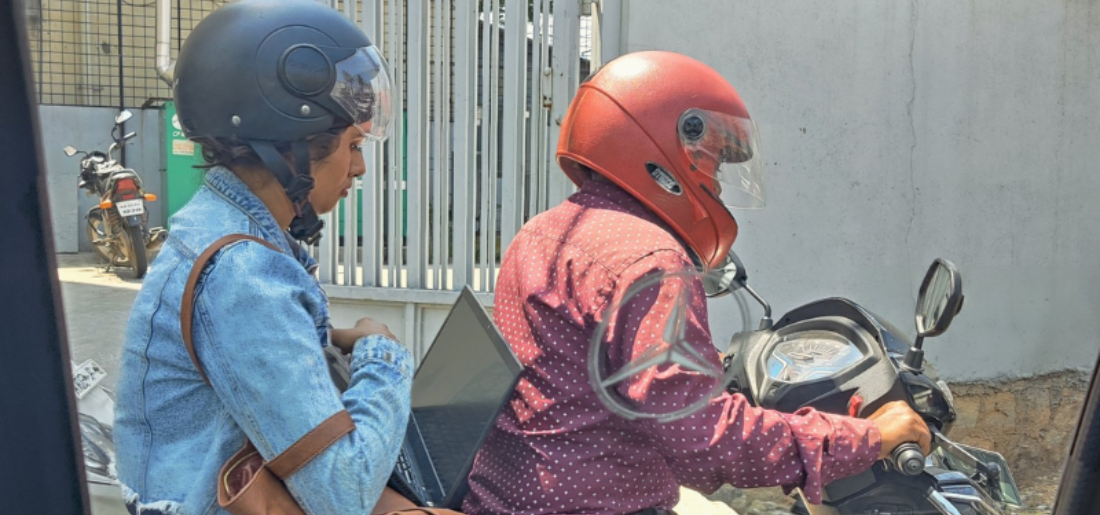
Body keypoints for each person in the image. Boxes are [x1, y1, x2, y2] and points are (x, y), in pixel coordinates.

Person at [462, 51, 932, 515]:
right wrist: (862, 438)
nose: (719, 186)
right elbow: (703, 438)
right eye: (712, 163)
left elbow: (589, 365)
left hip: (508, 496)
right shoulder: (651, 260)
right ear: (661, 151)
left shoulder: (540, 233)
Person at [113, 1, 410, 514]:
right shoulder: (243, 274)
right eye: (353, 144)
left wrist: (326, 338)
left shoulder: (224, 229)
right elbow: (345, 493)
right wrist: (383, 355)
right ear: (291, 148)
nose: (359, 167)